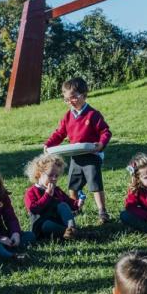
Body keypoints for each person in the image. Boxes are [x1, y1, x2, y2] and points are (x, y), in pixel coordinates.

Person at [44, 77, 112, 224]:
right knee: (72, 185)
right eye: (67, 99)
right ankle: (75, 208)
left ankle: (102, 211)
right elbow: (60, 133)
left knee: (95, 184)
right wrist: (48, 144)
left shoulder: (93, 114)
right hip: (75, 155)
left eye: (74, 97)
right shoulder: (68, 116)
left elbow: (105, 131)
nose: (70, 102)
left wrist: (100, 144)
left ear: (84, 95)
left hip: (91, 155)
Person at [23, 153, 80, 240]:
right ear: (39, 174)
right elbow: (33, 209)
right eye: (50, 175)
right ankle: (70, 233)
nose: (54, 178)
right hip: (42, 225)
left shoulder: (56, 190)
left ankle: (71, 229)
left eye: (56, 176)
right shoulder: (31, 192)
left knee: (63, 205)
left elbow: (69, 203)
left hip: (59, 222)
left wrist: (77, 203)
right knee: (47, 224)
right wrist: (47, 195)